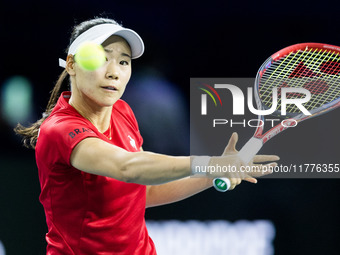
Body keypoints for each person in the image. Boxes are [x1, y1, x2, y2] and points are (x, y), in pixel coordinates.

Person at [14, 17, 279, 255]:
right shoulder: (59, 130)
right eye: (101, 58)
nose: (113, 71)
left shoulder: (123, 111)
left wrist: (213, 173)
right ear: (71, 64)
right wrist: (208, 162)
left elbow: (144, 190)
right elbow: (127, 167)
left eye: (123, 61)